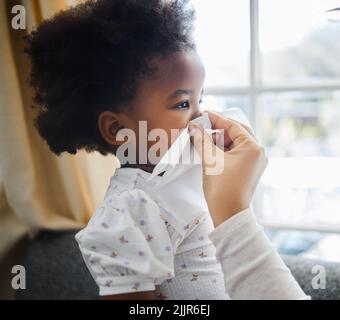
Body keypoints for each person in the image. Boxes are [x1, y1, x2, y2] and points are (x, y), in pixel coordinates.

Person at [25, 0, 309, 300]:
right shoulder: (129, 210)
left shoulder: (199, 172)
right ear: (117, 130)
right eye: (183, 104)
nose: (201, 116)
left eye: (202, 98)